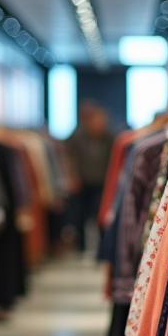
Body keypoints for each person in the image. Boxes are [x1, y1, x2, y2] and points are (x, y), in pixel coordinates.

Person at [65, 102, 113, 254]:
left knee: (100, 216)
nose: (100, 124)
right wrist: (72, 177)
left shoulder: (110, 137)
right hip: (83, 182)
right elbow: (70, 157)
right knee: (81, 215)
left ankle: (100, 249)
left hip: (102, 183)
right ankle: (82, 248)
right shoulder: (78, 137)